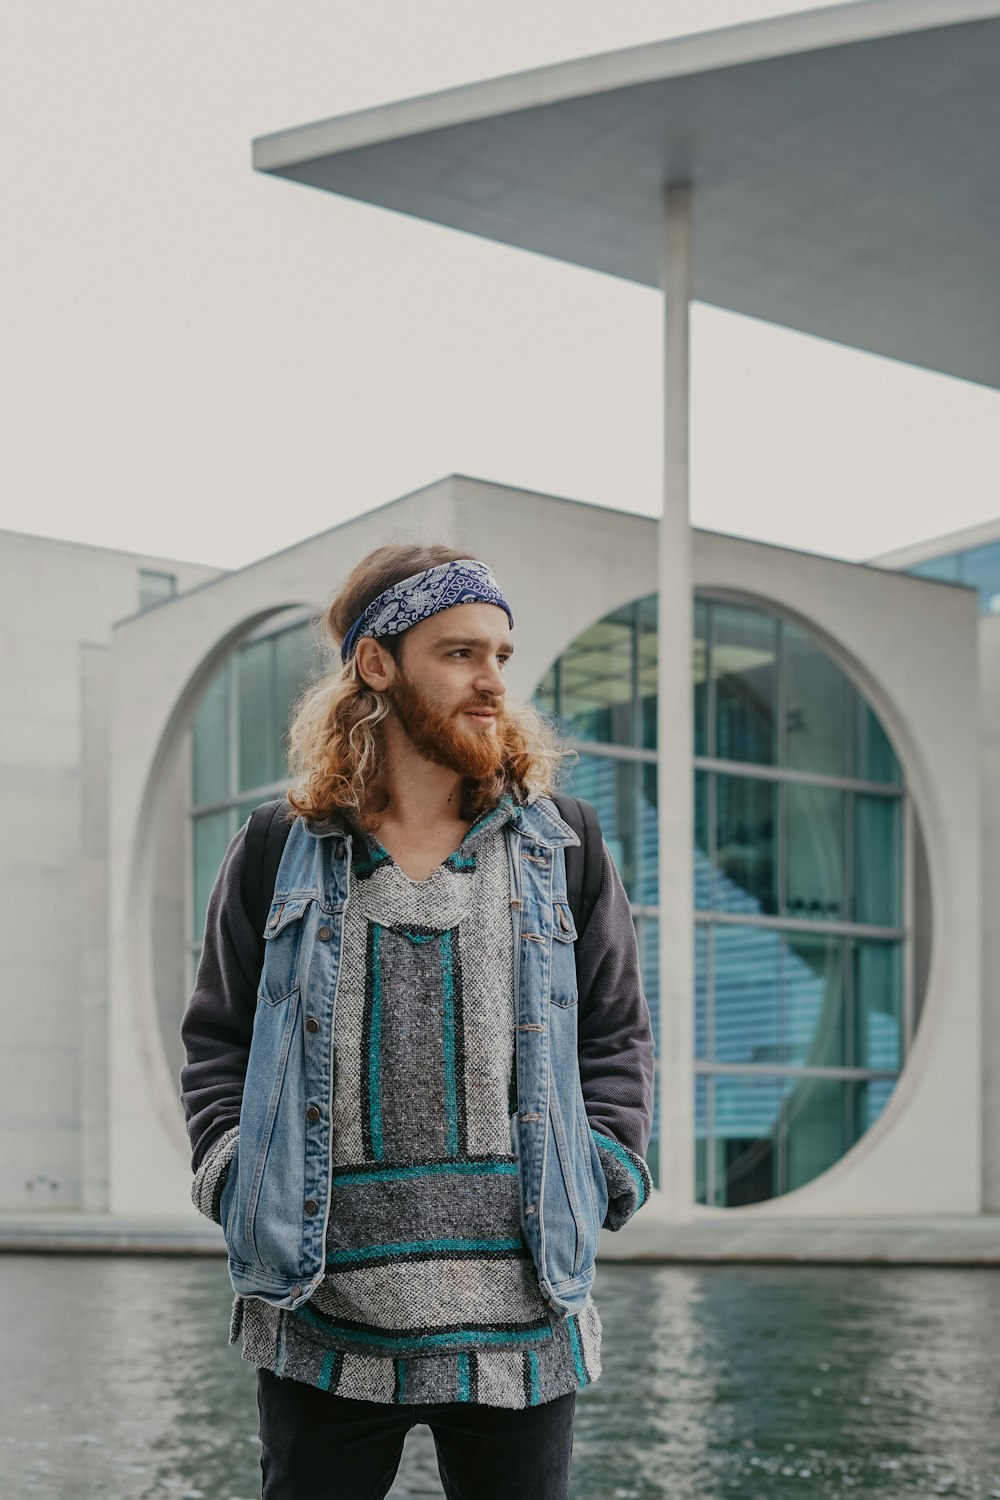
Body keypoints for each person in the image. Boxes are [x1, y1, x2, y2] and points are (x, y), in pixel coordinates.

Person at [179, 543, 656, 1500]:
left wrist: (607, 1167)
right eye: (460, 654)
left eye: (501, 658)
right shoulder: (280, 847)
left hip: (524, 1317)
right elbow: (217, 1036)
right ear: (376, 664)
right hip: (320, 1312)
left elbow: (615, 1033)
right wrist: (231, 1173)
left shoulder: (565, 843)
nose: (493, 683)